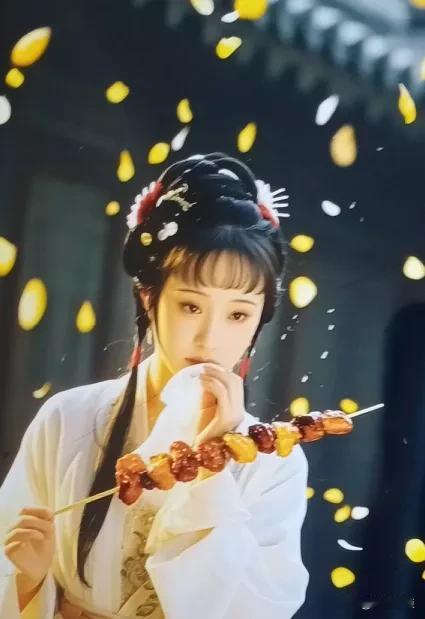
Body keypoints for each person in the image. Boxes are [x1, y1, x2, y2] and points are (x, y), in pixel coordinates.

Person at [0, 152, 309, 618]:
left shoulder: (274, 463)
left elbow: (257, 609)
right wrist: (29, 582)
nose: (210, 338)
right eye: (191, 306)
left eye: (238, 314)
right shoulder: (69, 419)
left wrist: (213, 468)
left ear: (260, 319)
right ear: (149, 297)